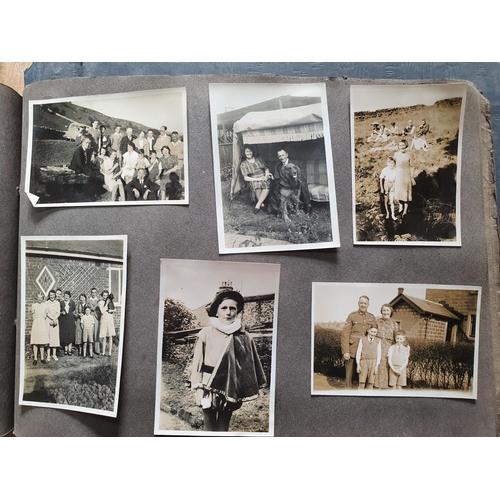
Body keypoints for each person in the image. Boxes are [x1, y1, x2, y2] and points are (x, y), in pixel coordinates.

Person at [190, 288, 267, 432]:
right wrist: (199, 389)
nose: (228, 312)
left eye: (233, 308)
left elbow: (249, 364)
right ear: (217, 311)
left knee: (223, 427)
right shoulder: (206, 333)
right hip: (208, 386)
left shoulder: (245, 336)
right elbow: (197, 364)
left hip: (230, 387)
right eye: (224, 308)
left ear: (237, 312)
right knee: (210, 427)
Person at [341, 295, 376, 389]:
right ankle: (348, 391)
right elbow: (345, 334)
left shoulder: (372, 317)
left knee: (365, 372)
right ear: (358, 303)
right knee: (349, 373)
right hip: (353, 348)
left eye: (365, 303)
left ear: (368, 305)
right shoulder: (352, 316)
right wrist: (346, 351)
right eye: (361, 303)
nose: (363, 305)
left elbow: (375, 333)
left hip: (365, 350)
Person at [276, 149, 312, 214]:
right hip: (285, 184)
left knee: (303, 184)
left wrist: (295, 180)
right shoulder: (278, 166)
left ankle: (307, 205)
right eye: (280, 156)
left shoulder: (295, 163)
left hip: (296, 181)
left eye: (283, 155)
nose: (282, 157)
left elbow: (301, 175)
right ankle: (282, 207)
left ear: (287, 155)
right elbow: (277, 176)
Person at [239, 145, 272, 214]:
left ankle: (258, 204)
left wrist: (266, 175)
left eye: (250, 151)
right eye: (247, 152)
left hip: (263, 176)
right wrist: (257, 179)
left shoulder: (259, 159)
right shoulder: (243, 164)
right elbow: (246, 178)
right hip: (253, 178)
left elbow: (266, 168)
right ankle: (261, 204)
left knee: (266, 184)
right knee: (257, 185)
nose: (249, 153)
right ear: (244, 153)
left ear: (252, 152)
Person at [374, 304, 398, 389]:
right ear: (381, 311)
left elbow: (397, 337)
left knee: (387, 366)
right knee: (378, 365)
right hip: (378, 346)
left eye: (387, 310)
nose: (386, 312)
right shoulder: (377, 322)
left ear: (391, 312)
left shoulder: (394, 324)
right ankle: (376, 385)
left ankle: (386, 387)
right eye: (384, 310)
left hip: (389, 348)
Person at [393, 139, 415, 217]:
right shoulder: (396, 154)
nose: (401, 147)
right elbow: (393, 164)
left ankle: (405, 211)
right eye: (400, 145)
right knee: (398, 191)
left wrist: (412, 177)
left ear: (406, 145)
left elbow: (412, 166)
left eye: (403, 145)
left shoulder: (410, 155)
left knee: (406, 192)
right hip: (398, 175)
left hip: (406, 176)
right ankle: (400, 207)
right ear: (398, 147)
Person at [30, 292, 49, 365]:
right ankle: (35, 358)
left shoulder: (45, 305)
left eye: (41, 297)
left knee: (42, 341)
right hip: (36, 323)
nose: (39, 299)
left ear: (43, 298)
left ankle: (42, 358)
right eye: (38, 297)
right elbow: (33, 314)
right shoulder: (34, 305)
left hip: (42, 324)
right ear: (36, 298)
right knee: (35, 341)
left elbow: (46, 314)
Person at [98, 290, 116, 356]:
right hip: (104, 319)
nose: (105, 297)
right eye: (104, 295)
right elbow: (102, 311)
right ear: (102, 296)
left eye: (106, 295)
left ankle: (110, 353)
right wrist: (106, 303)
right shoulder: (100, 302)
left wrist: (111, 310)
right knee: (104, 336)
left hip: (109, 319)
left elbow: (114, 309)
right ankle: (103, 352)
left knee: (110, 336)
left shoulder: (110, 302)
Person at [45, 290, 61, 362]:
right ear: (49, 296)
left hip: (55, 321)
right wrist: (52, 318)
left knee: (55, 337)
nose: (52, 296)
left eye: (53, 295)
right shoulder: (46, 303)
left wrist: (55, 318)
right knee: (49, 337)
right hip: (49, 321)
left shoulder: (57, 303)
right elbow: (47, 313)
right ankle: (48, 355)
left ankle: (54, 354)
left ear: (55, 295)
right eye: (50, 295)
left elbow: (58, 312)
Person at [59, 291, 76, 356]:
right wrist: (61, 312)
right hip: (64, 320)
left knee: (70, 334)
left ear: (69, 296)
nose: (66, 297)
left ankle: (69, 350)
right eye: (65, 296)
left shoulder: (72, 303)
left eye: (67, 296)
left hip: (70, 320)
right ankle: (65, 350)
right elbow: (59, 311)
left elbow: (73, 310)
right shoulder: (61, 303)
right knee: (65, 335)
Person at [87, 288, 101, 355]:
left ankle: (97, 349)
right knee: (90, 333)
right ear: (91, 293)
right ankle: (89, 350)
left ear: (96, 293)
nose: (93, 294)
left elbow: (99, 309)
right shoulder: (88, 300)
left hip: (96, 318)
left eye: (94, 292)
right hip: (90, 317)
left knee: (96, 333)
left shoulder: (98, 300)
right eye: (92, 292)